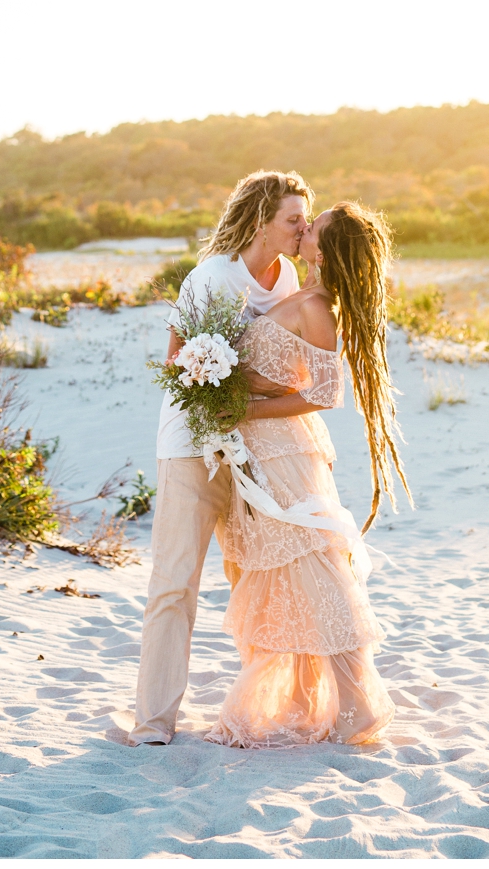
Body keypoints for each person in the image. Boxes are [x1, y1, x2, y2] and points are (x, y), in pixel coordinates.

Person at [205, 200, 409, 747]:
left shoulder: (318, 305)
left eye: (311, 227)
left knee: (313, 570)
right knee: (282, 574)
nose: (302, 229)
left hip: (284, 453)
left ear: (328, 247)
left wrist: (247, 408)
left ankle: (358, 704)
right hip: (259, 450)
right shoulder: (295, 290)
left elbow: (324, 393)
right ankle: (301, 701)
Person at [128, 169, 312, 746]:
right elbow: (178, 361)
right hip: (190, 446)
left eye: (306, 219)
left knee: (260, 577)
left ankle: (265, 706)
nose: (303, 229)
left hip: (255, 450)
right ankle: (154, 721)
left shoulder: (289, 278)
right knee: (175, 580)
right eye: (293, 219)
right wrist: (231, 394)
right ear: (261, 220)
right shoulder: (212, 277)